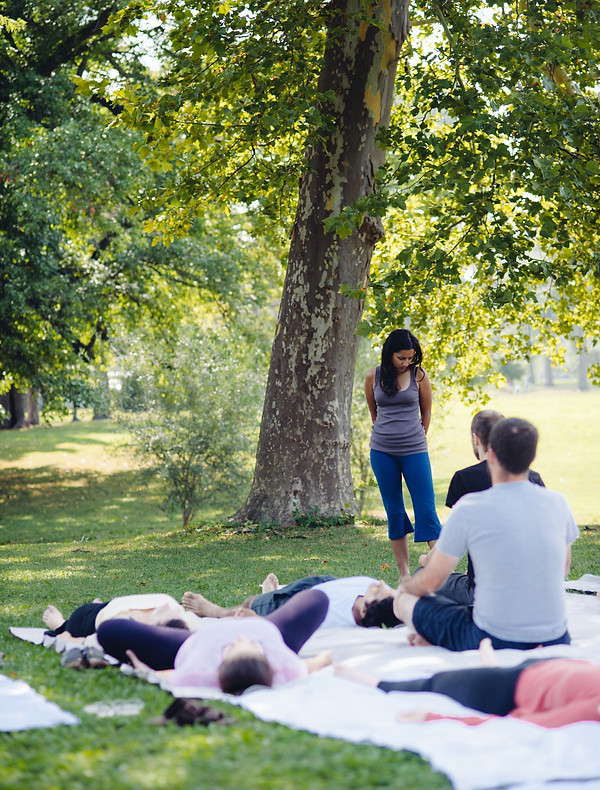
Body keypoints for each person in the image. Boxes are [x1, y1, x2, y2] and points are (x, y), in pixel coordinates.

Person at [393, 417, 579, 651]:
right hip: (555, 636)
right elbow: (562, 568)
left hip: (492, 637)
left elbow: (431, 580)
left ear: (491, 454)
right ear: (531, 457)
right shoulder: (558, 503)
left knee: (404, 600)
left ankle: (430, 632)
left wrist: (403, 588)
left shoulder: (470, 507)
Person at [97, 588, 333, 695]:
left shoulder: (200, 673)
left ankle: (162, 620)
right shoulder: (285, 667)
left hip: (192, 642)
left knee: (110, 630)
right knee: (318, 598)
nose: (239, 636)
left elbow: (156, 676)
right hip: (270, 629)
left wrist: (143, 670)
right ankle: (252, 606)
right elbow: (323, 660)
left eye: (231, 646)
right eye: (250, 644)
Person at [334, 641, 600, 728]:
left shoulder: (594, 709)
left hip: (506, 689)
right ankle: (491, 665)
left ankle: (372, 681)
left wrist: (435, 717)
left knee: (433, 683)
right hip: (546, 668)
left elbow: (522, 724)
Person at [434, 409, 545, 606]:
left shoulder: (464, 479)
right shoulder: (534, 478)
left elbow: (457, 540)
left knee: (423, 575)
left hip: (483, 590)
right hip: (529, 584)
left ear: (476, 439)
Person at [365, 329, 441, 580]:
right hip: (382, 451)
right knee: (395, 510)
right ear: (389, 354)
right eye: (401, 358)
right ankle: (404, 574)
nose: (406, 363)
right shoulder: (372, 376)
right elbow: (374, 413)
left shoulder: (419, 376)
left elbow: (426, 413)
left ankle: (443, 570)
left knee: (426, 507)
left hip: (415, 450)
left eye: (410, 358)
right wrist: (388, 436)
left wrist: (417, 437)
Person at [182, 573, 402, 629]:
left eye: (379, 591)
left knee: (253, 603)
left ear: (365, 612)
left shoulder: (329, 617)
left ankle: (215, 611)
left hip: (306, 599)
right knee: (292, 589)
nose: (382, 583)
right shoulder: (387, 603)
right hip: (325, 585)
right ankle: (272, 592)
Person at [43, 593, 200, 644]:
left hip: (87, 621)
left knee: (79, 618)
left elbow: (93, 643)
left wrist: (66, 635)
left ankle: (61, 623)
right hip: (114, 606)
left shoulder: (128, 631)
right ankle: (100, 606)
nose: (166, 606)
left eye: (160, 612)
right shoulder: (187, 623)